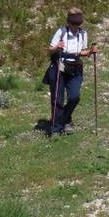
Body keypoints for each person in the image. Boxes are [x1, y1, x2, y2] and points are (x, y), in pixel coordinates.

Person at [43, 8, 98, 136]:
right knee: (57, 99)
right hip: (59, 67)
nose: (75, 26)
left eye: (77, 24)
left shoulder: (83, 33)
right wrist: (57, 47)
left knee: (74, 97)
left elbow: (81, 52)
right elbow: (49, 50)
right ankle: (56, 128)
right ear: (68, 22)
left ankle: (65, 118)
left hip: (75, 68)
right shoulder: (61, 31)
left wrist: (90, 52)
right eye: (73, 23)